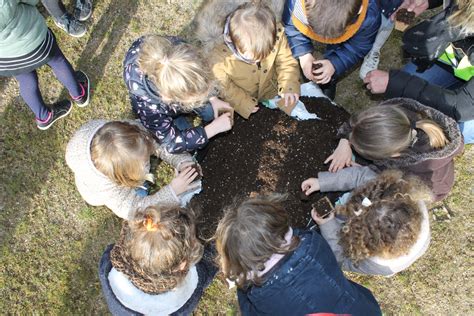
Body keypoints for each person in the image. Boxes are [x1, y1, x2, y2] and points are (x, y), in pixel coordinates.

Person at [215, 194, 382, 315]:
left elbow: (248, 311)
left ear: (239, 260)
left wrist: (242, 284)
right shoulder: (313, 243)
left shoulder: (258, 295)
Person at [363, 0, 474, 143]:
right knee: (409, 82)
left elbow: (462, 107)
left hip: (466, 104)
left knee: (455, 130)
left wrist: (396, 83)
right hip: (465, 53)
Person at [325, 98, 463, 202]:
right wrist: (344, 141)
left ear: (392, 156)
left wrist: (372, 172)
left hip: (426, 190)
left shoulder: (421, 177)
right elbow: (360, 122)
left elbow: (393, 189)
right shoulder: (395, 115)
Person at [302, 169, 432, 276]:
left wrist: (328, 224)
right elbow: (361, 176)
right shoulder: (397, 193)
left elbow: (341, 257)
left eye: (355, 222)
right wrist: (323, 182)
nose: (356, 210)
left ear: (363, 244)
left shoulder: (376, 265)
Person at [66, 120, 201, 220]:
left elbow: (157, 142)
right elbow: (135, 210)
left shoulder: (128, 136)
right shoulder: (109, 191)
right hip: (96, 192)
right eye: (144, 163)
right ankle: (140, 186)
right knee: (144, 206)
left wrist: (182, 162)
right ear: (123, 179)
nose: (148, 161)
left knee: (176, 129)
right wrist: (172, 191)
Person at [123, 35, 233, 155]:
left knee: (211, 112)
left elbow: (199, 79)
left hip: (176, 90)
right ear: (169, 98)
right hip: (161, 110)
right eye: (195, 100)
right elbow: (171, 142)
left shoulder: (181, 52)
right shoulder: (149, 108)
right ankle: (178, 119)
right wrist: (212, 130)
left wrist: (213, 98)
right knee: (189, 145)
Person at [99, 205, 217, 315]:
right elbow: (208, 267)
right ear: (182, 265)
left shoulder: (109, 269)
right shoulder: (182, 304)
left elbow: (108, 253)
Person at [195, 1, 305, 120]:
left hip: (272, 87)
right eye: (250, 58)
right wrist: (244, 104)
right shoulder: (218, 57)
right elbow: (224, 86)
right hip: (243, 94)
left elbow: (286, 61)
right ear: (230, 40)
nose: (256, 61)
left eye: (264, 55)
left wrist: (288, 86)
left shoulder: (276, 33)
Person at [0, 0, 90, 130]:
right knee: (57, 61)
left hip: (6, 59)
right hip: (33, 39)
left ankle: (44, 117)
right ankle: (79, 94)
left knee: (26, 81)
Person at [282, 0, 381, 99]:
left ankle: (330, 78)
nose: (325, 40)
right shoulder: (295, 4)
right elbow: (292, 27)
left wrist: (335, 63)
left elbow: (357, 48)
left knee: (336, 49)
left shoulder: (369, 16)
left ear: (360, 9)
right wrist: (304, 55)